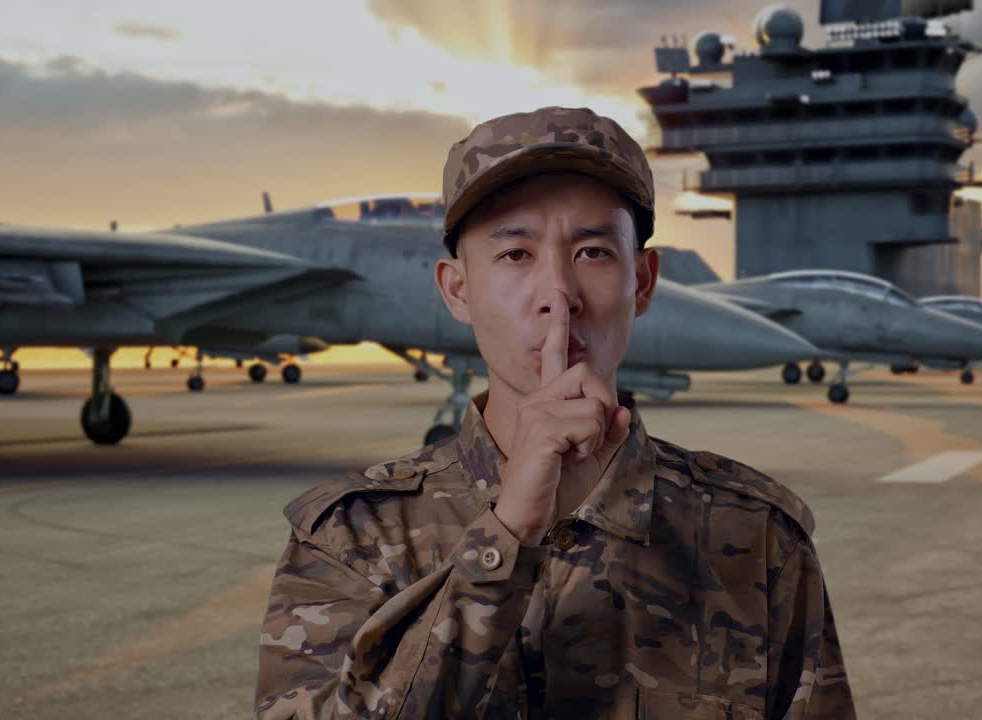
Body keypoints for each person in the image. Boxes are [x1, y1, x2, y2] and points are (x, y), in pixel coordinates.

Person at [254, 106, 855, 719]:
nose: (558, 295)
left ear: (643, 282)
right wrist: (504, 539)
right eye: (515, 254)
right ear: (457, 290)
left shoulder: (756, 540)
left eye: (593, 252)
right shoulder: (351, 540)